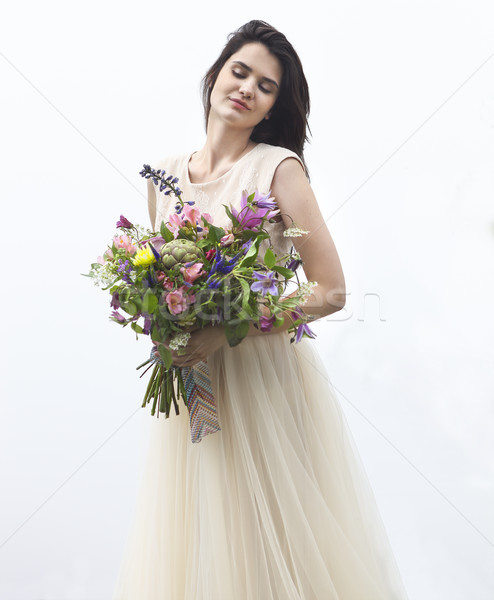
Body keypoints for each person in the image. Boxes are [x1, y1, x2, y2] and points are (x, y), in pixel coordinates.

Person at [113, 20, 409, 599]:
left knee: (271, 539)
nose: (247, 88)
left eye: (266, 86)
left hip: (260, 380)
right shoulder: (165, 174)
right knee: (202, 537)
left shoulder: (277, 169)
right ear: (216, 74)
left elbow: (331, 289)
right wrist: (163, 319)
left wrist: (227, 331)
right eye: (240, 71)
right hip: (195, 384)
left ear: (274, 107)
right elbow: (163, 278)